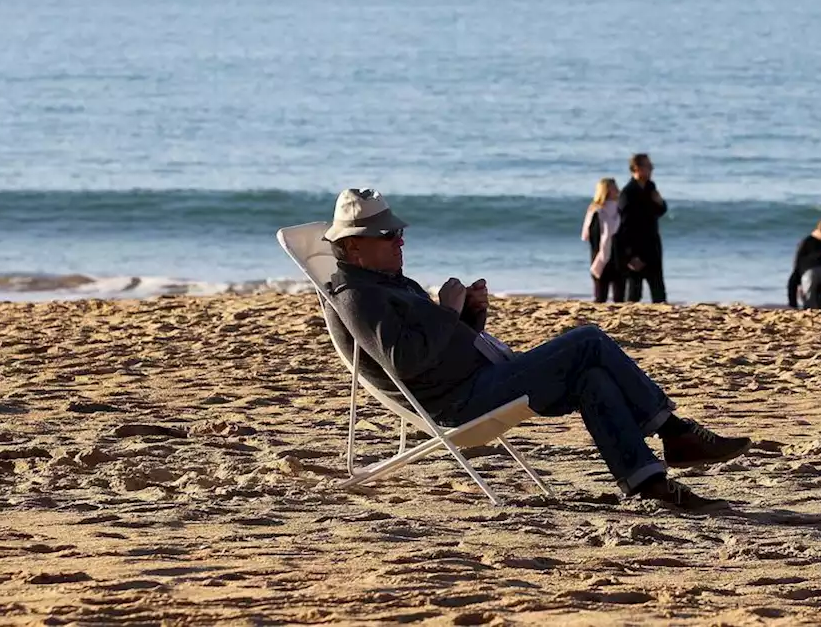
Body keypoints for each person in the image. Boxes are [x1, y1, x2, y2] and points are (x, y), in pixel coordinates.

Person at [322, 188, 751, 511]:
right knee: (588, 339)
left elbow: (441, 349)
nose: (400, 241)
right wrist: (446, 313)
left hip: (477, 381)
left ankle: (649, 484)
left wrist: (470, 316)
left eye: (400, 232)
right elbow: (407, 361)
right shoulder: (357, 296)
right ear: (355, 245)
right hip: (460, 402)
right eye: (388, 235)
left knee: (592, 375)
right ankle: (675, 433)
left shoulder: (386, 282)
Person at [618, 154, 668, 303]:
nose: (652, 169)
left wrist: (660, 203)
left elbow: (658, 212)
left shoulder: (650, 187)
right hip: (636, 248)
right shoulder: (628, 193)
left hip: (652, 244)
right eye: (648, 166)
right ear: (636, 169)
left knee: (658, 290)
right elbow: (624, 226)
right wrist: (630, 255)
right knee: (634, 292)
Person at [581, 177, 624, 303]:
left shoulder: (620, 209)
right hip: (601, 256)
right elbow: (593, 236)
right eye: (613, 187)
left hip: (618, 255)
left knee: (619, 297)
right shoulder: (596, 211)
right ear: (605, 190)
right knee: (600, 296)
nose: (617, 190)